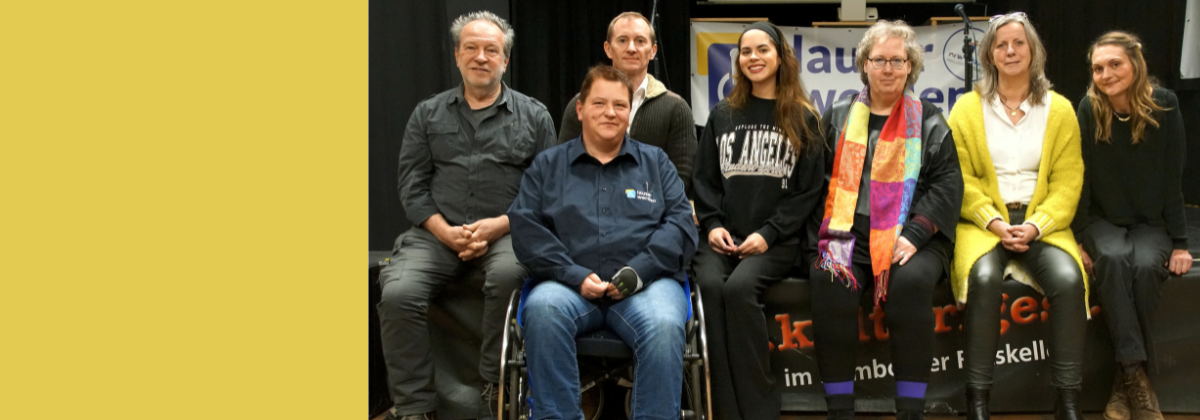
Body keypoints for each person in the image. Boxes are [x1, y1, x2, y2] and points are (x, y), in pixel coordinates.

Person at [376, 11, 557, 420]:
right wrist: (444, 231)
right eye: (471, 48)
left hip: (509, 231)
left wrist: (499, 225)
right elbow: (412, 185)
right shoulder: (427, 114)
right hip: (435, 235)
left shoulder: (535, 116)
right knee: (397, 292)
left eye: (491, 50)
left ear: (505, 60)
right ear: (457, 56)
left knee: (510, 275)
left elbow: (546, 189)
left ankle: (494, 389)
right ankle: (414, 407)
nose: (481, 57)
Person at [508, 65, 698, 420]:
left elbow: (682, 226)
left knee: (662, 325)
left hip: (647, 285)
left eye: (620, 105)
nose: (610, 112)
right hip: (568, 286)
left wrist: (636, 273)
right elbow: (526, 227)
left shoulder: (656, 163)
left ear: (630, 112)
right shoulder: (548, 165)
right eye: (599, 103)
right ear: (580, 109)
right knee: (543, 311)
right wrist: (573, 274)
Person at [804, 20, 963, 420]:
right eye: (880, 60)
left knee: (908, 285)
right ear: (865, 64)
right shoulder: (839, 115)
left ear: (910, 66)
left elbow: (947, 184)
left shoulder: (929, 118)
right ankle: (840, 410)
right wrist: (823, 242)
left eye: (897, 60)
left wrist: (914, 234)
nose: (888, 68)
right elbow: (815, 181)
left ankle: (910, 411)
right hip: (849, 233)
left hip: (914, 237)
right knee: (829, 278)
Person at [947, 12, 1088, 420]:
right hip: (983, 223)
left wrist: (1034, 225)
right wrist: (993, 222)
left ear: (1033, 51)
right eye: (1001, 44)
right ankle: (978, 404)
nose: (1010, 51)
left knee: (1067, 279)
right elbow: (960, 177)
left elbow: (1067, 182)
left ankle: (1068, 404)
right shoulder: (967, 109)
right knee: (985, 279)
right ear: (990, 54)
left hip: (1041, 223)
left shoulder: (1059, 110)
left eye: (1019, 43)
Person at [692, 21, 825, 420]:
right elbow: (704, 180)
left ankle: (760, 409)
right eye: (745, 51)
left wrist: (769, 234)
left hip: (776, 241)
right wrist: (713, 225)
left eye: (762, 50)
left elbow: (808, 191)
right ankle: (723, 409)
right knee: (710, 285)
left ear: (780, 57)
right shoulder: (722, 114)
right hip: (722, 238)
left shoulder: (804, 117)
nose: (753, 58)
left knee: (739, 289)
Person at [1074, 31, 1191, 420]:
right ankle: (1137, 378)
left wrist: (1179, 242)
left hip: (1150, 223)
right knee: (1112, 256)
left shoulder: (1166, 106)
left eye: (1115, 64)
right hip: (1101, 220)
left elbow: (1174, 179)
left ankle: (1125, 380)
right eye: (1098, 68)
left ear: (1136, 64)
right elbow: (1081, 178)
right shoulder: (1089, 108)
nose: (1106, 74)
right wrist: (1076, 237)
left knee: (1143, 266)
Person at [558, 12, 697, 197]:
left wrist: (637, 204)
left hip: (652, 220)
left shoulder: (676, 108)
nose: (631, 48)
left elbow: (681, 180)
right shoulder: (583, 105)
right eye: (622, 40)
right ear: (608, 49)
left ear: (653, 51)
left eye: (640, 41)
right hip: (590, 216)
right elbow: (564, 168)